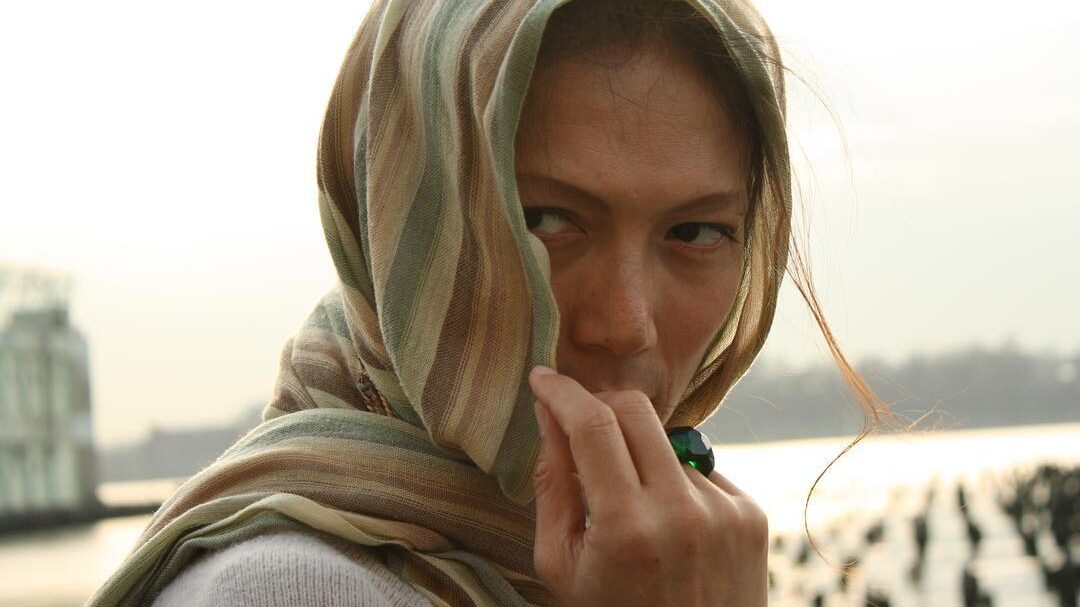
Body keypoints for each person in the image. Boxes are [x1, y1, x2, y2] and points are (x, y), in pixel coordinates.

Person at [88, 0, 899, 605]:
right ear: (402, 221)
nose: (625, 322)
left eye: (696, 231)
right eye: (544, 221)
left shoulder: (649, 569)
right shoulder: (286, 589)